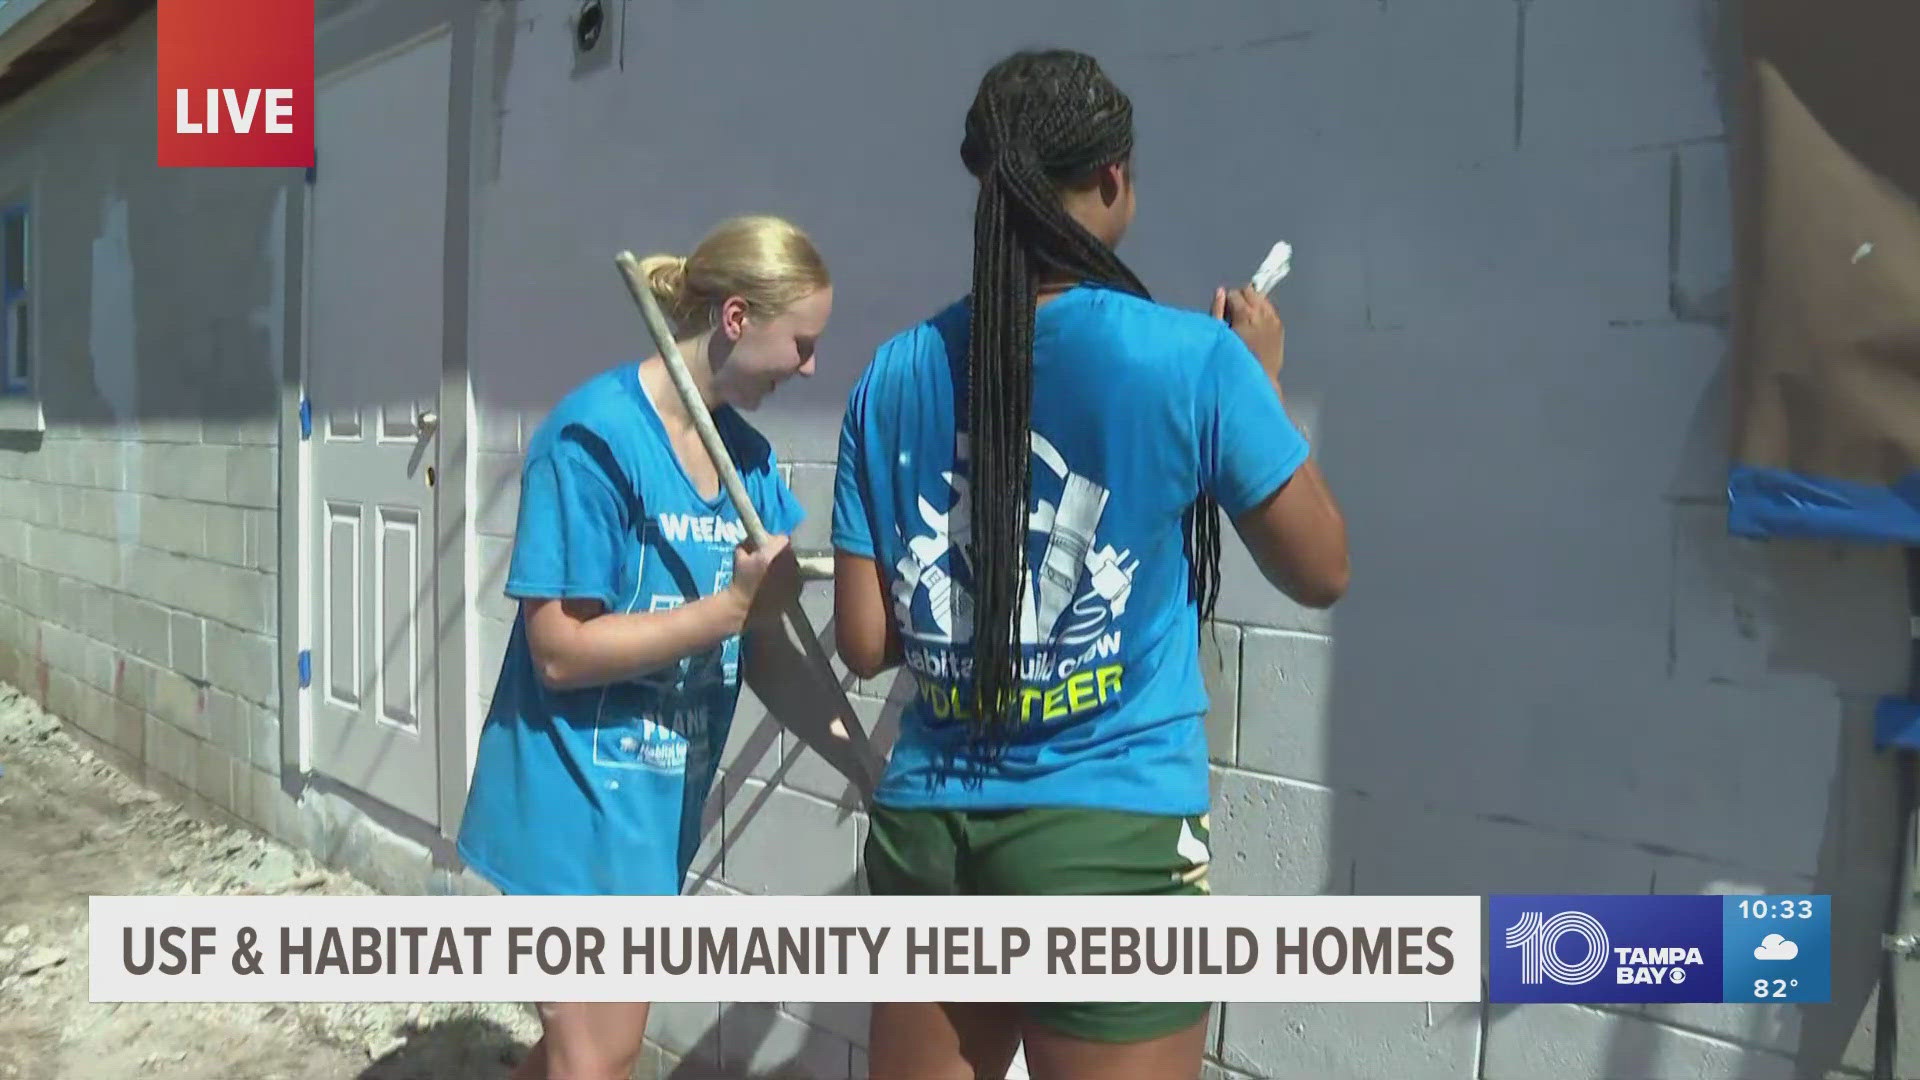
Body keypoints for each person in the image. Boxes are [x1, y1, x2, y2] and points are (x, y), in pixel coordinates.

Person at [830, 50, 1350, 1080]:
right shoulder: (1191, 361)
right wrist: (1257, 389)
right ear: (1114, 179)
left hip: (932, 831)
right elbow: (1320, 568)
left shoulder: (889, 374)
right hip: (1111, 837)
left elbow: (864, 642)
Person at [456, 214, 833, 1080]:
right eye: (802, 343)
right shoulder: (592, 439)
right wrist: (724, 611)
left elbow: (769, 648)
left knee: (573, 1055)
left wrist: (864, 770)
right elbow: (557, 648)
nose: (811, 367)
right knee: (599, 1061)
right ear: (736, 318)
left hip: (650, 821)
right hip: (561, 810)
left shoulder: (748, 461)